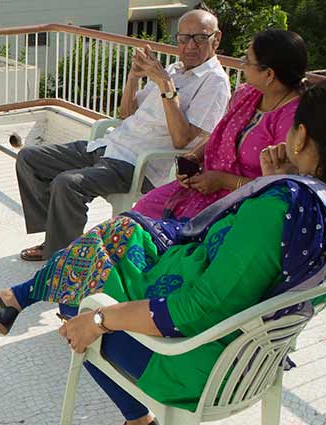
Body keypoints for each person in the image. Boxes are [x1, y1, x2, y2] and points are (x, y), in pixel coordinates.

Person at [0, 80, 326, 425]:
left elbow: (195, 309)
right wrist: (275, 179)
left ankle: (138, 419)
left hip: (196, 359)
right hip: (246, 347)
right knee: (122, 234)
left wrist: (99, 320)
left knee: (81, 295)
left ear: (302, 136)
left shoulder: (279, 210)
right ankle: (15, 301)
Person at [15, 9, 231, 261]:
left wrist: (165, 86)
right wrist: (133, 77)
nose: (190, 46)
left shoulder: (214, 83)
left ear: (216, 39)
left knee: (67, 183)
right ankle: (56, 239)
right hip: (110, 145)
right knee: (29, 158)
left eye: (200, 38)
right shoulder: (173, 69)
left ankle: (63, 259)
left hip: (138, 164)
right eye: (184, 39)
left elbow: (183, 141)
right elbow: (126, 113)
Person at [132, 29, 308, 220]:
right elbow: (222, 134)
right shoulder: (248, 94)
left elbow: (280, 187)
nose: (243, 65)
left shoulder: (293, 120)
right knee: (142, 210)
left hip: (243, 204)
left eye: (247, 61)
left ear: (268, 74)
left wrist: (223, 180)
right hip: (207, 185)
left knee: (164, 234)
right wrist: (192, 158)